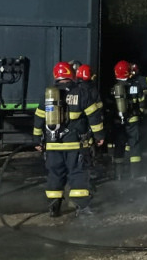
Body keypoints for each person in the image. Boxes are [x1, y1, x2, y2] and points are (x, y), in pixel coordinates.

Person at [32, 61, 106, 217]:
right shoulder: (81, 92)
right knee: (78, 174)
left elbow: (39, 118)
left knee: (55, 174)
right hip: (75, 145)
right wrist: (99, 136)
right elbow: (93, 116)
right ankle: (82, 208)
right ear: (71, 75)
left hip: (52, 145)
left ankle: (54, 206)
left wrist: (37, 139)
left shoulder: (47, 95)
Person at [108, 57, 147, 180]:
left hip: (118, 122)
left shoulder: (113, 87)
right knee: (134, 146)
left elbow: (109, 105)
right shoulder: (138, 83)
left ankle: (118, 174)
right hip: (133, 120)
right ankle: (134, 174)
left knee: (119, 145)